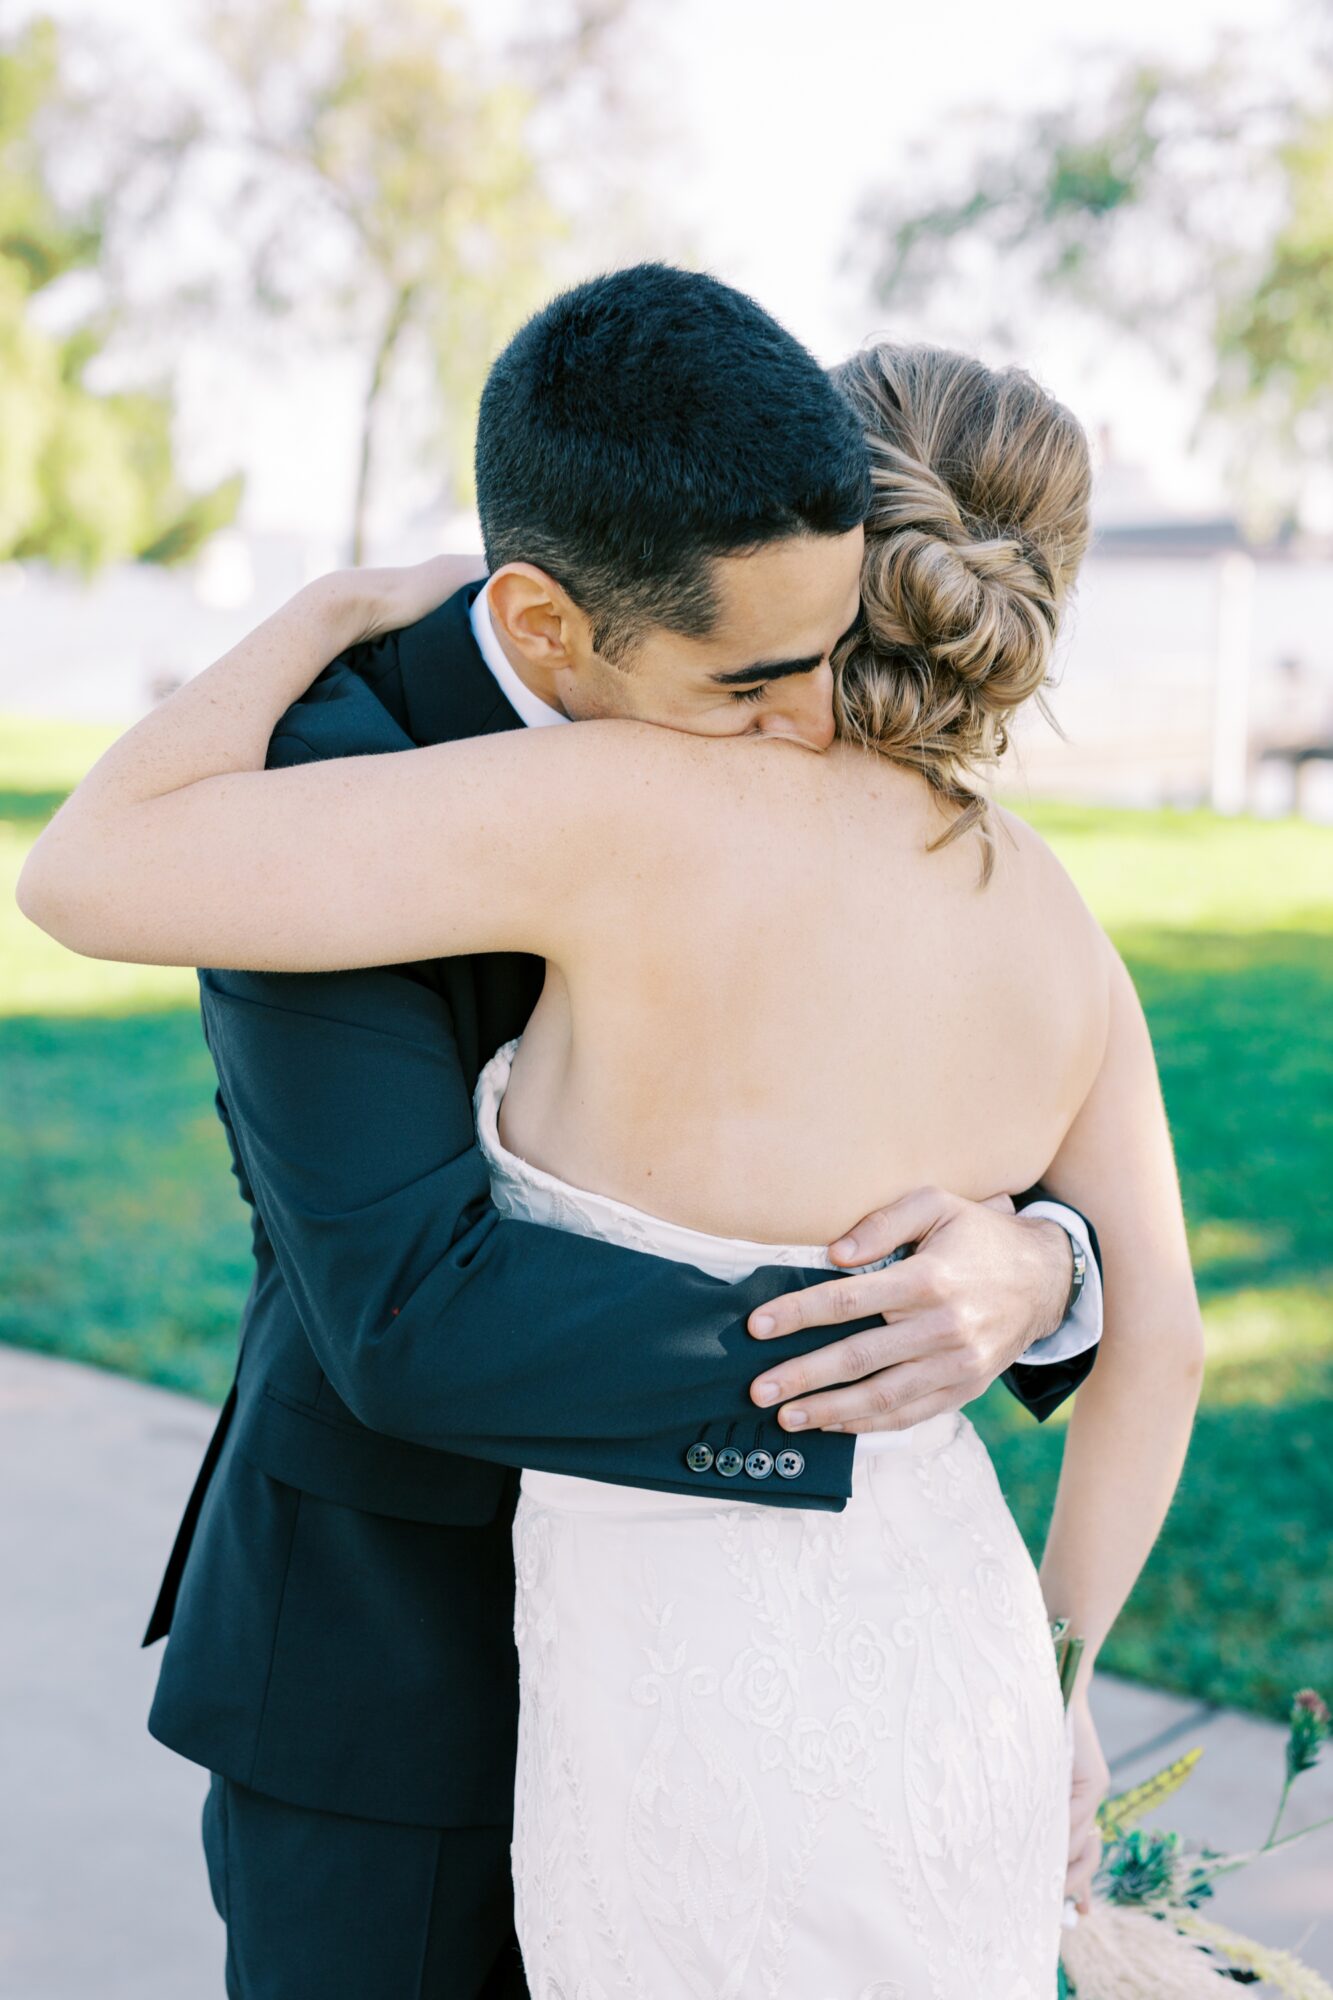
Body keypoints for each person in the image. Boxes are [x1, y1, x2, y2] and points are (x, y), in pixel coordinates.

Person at [17, 274, 1168, 1997]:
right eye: (757, 676)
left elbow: (1111, 1289)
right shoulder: (340, 757)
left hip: (787, 1703)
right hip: (393, 1685)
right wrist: (880, 1410)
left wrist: (1034, 1267)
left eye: (818, 654)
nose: (794, 725)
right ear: (555, 620)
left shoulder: (729, 751)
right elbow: (407, 1314)